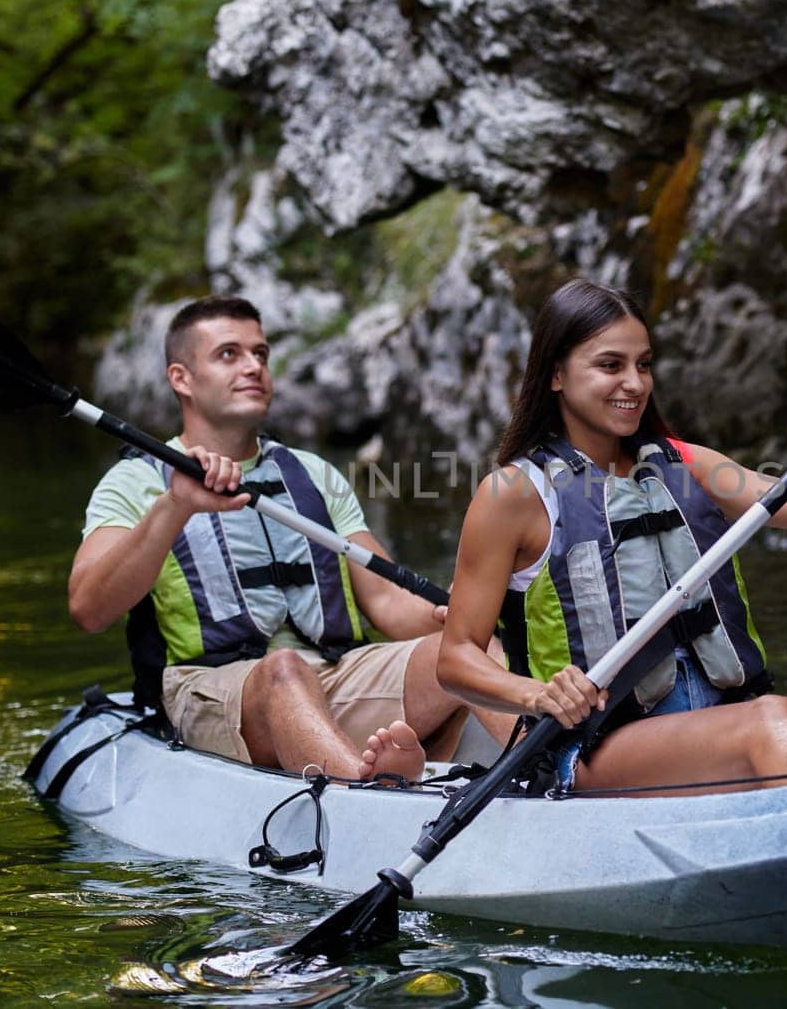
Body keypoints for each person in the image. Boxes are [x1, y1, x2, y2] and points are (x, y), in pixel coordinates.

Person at [438, 278, 787, 794]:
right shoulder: (512, 494)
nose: (635, 384)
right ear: (555, 374)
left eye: (644, 364)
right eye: (610, 365)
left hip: (719, 721)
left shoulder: (685, 465)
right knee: (768, 721)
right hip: (596, 746)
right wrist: (536, 695)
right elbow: (456, 658)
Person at [69, 296, 512, 783]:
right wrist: (176, 507)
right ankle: (368, 795)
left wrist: (450, 612)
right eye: (228, 354)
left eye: (260, 354)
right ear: (182, 379)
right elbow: (90, 609)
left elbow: (386, 601)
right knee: (283, 670)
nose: (253, 367)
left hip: (336, 674)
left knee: (472, 644)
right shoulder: (135, 482)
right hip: (214, 688)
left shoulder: (313, 473)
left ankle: (559, 770)